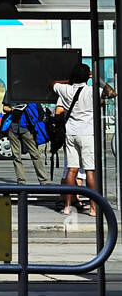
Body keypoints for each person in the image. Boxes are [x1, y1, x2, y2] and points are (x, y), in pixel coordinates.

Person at [52, 63, 115, 216]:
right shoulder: (92, 90)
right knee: (90, 172)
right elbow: (112, 93)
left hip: (71, 133)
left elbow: (53, 84)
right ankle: (93, 208)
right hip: (87, 134)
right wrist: (98, 79)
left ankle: (67, 207)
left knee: (71, 170)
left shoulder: (66, 89)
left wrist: (69, 80)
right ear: (88, 76)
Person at [0, 100, 51, 186]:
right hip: (13, 127)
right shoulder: (10, 92)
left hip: (27, 127)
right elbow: (5, 108)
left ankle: (44, 180)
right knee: (16, 156)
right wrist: (13, 109)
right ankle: (21, 181)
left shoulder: (29, 92)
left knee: (35, 154)